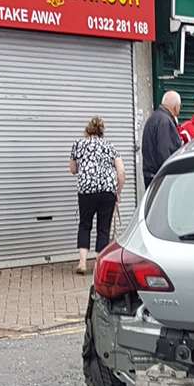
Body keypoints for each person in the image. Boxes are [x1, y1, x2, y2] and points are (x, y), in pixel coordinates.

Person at [69, 116, 125, 276]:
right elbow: (121, 172)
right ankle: (99, 265)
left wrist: (83, 168)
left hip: (86, 191)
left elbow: (72, 169)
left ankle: (82, 263)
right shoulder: (110, 146)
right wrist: (117, 192)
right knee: (103, 228)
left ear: (87, 130)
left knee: (85, 224)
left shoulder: (78, 145)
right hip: (107, 191)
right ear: (102, 131)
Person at [142, 91, 182, 188]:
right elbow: (164, 152)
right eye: (180, 106)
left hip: (152, 177)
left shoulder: (154, 117)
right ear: (175, 106)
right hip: (161, 179)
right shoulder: (165, 121)